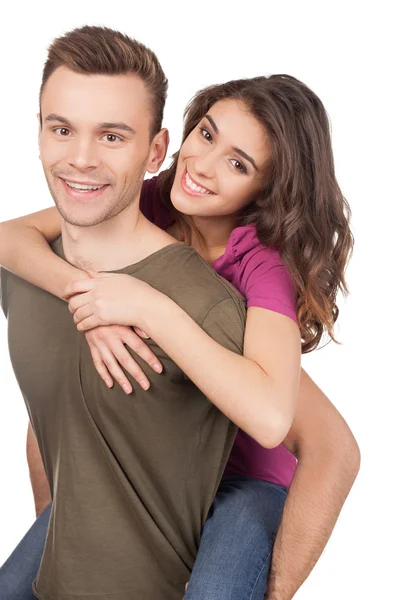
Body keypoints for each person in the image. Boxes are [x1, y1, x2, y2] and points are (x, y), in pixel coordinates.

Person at [0, 26, 360, 600]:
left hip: (244, 478)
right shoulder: (151, 199)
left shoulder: (256, 270)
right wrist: (84, 293)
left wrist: (148, 306)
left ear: (267, 190)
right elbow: (10, 238)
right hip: (150, 470)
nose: (203, 164)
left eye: (238, 164)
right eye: (206, 134)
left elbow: (299, 431)